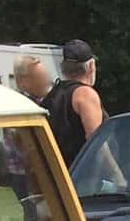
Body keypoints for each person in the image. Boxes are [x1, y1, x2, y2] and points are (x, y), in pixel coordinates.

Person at [42, 38, 105, 166]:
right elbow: (96, 141)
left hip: (59, 172)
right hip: (85, 175)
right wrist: (116, 174)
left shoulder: (52, 94)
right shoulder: (86, 95)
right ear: (90, 66)